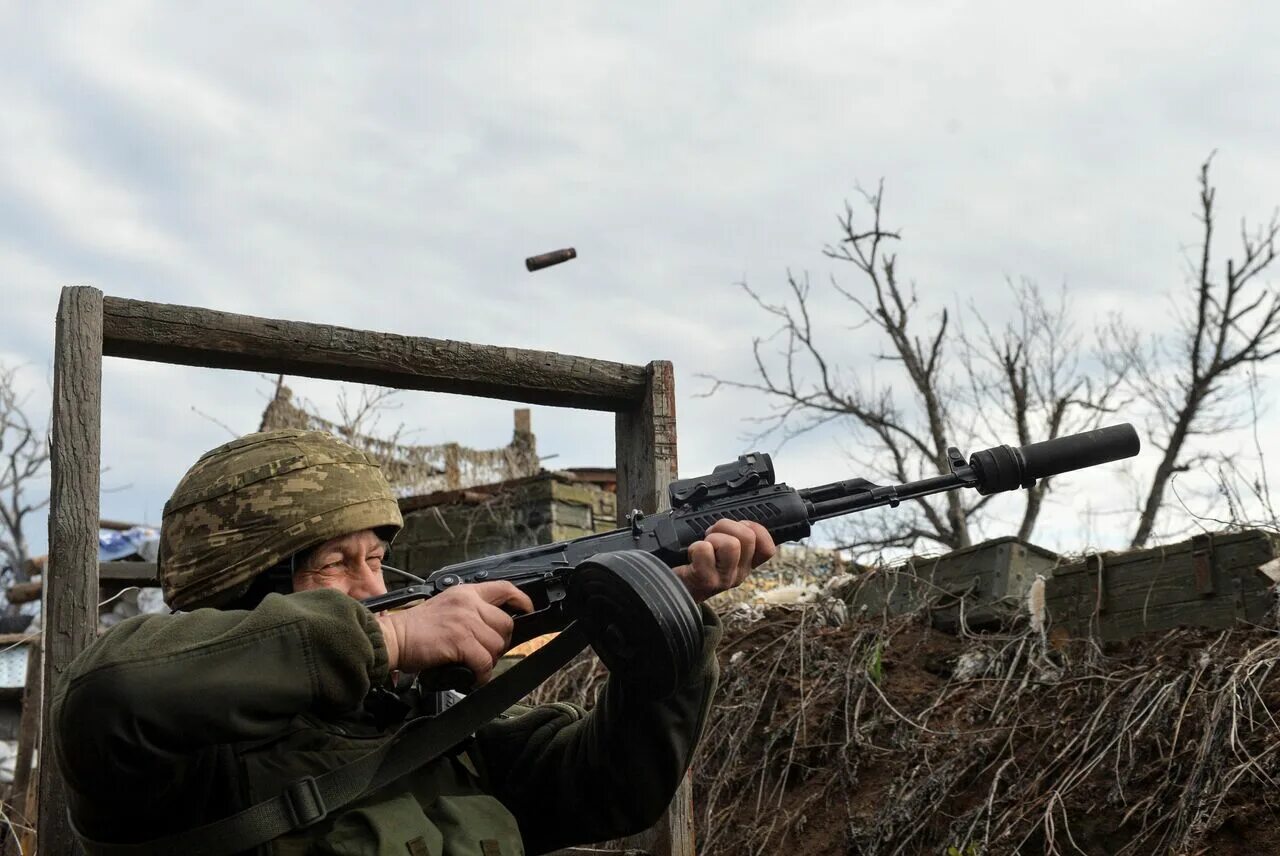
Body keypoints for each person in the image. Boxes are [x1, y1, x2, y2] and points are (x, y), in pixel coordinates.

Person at [53, 428, 775, 855]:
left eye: (376, 560)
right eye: (337, 564)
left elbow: (612, 790)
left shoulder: (422, 725)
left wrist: (669, 624)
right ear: (244, 589)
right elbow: (111, 695)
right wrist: (389, 637)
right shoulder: (177, 762)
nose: (371, 589)